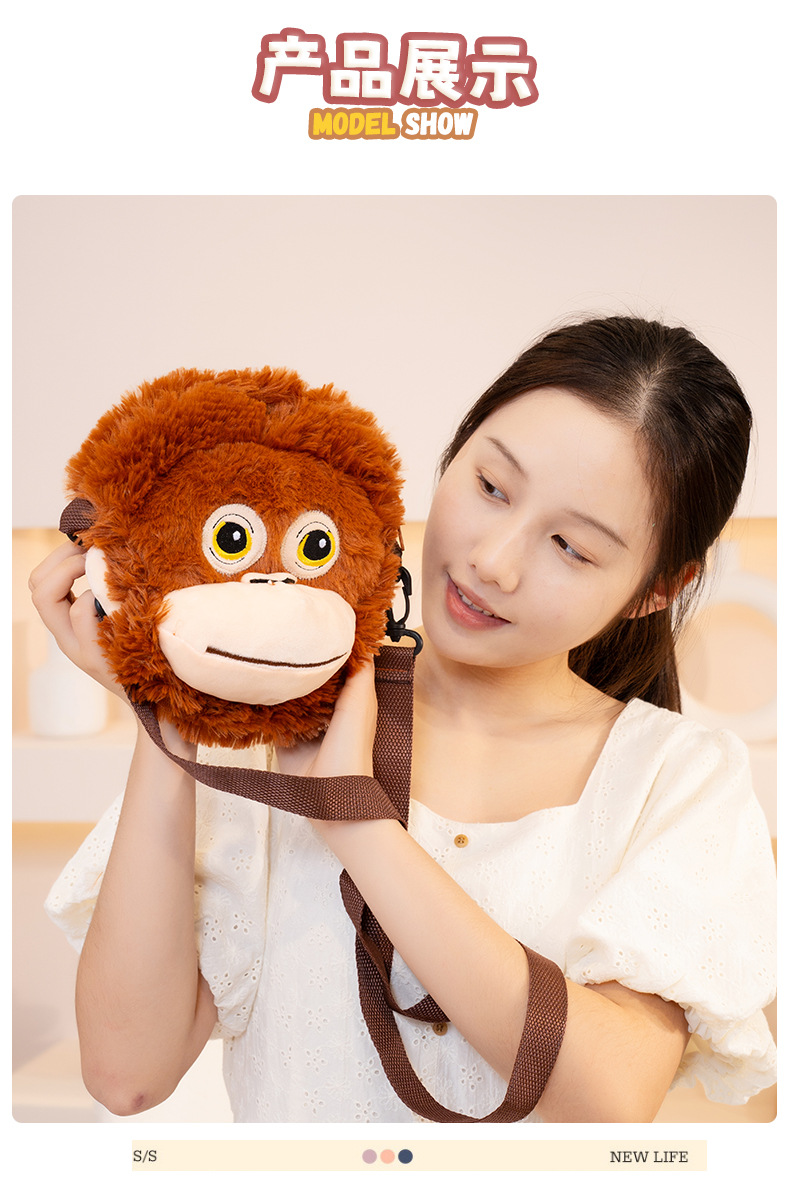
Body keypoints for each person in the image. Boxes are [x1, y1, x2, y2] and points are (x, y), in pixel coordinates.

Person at [35, 315, 776, 1123]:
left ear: (656, 590)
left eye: (570, 546)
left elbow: (609, 1097)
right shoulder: (274, 710)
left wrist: (357, 824)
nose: (493, 561)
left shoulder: (679, 777)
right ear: (453, 452)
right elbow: (126, 1075)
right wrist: (166, 709)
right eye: (491, 486)